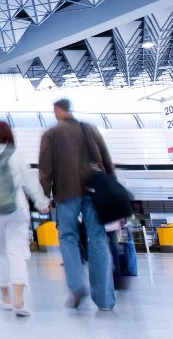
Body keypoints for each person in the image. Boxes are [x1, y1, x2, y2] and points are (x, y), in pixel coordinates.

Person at [39, 98, 116, 311]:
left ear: (58, 110)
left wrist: (44, 197)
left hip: (66, 193)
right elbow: (106, 160)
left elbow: (45, 169)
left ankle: (76, 286)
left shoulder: (51, 134)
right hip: (94, 191)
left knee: (68, 237)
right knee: (98, 239)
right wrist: (111, 186)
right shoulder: (89, 129)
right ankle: (104, 300)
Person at [0, 121, 50, 316]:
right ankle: (18, 300)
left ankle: (5, 299)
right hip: (16, 209)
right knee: (17, 253)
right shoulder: (16, 153)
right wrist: (41, 202)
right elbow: (30, 182)